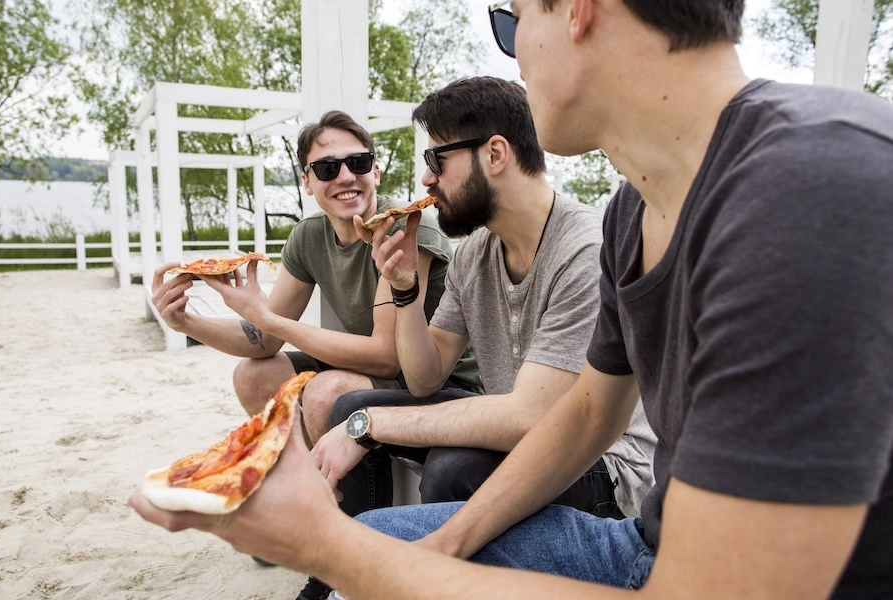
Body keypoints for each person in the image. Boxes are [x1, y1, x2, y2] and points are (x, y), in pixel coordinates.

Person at [131, 1, 893, 598]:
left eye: (511, 18)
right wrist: (443, 546)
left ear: (576, 10)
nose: (514, 50)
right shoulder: (633, 212)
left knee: (382, 539)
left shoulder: (812, 182)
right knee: (377, 559)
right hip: (651, 542)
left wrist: (325, 538)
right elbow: (586, 414)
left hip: (673, 561)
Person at [303, 75, 654, 599]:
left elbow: (531, 419)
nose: (424, 179)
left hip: (603, 467)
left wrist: (369, 424)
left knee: (453, 466)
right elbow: (424, 378)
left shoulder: (584, 250)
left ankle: (429, 580)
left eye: (437, 161)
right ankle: (346, 572)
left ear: (494, 154)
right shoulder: (474, 252)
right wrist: (405, 292)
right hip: (513, 427)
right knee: (348, 402)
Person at [151, 109, 479, 442]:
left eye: (359, 163)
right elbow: (264, 340)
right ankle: (308, 478)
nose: (346, 177)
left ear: (376, 172)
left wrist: (267, 319)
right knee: (253, 376)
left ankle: (344, 493)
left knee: (326, 392)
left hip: (441, 379)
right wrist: (185, 323)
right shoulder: (308, 237)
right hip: (384, 372)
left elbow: (385, 359)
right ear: (307, 182)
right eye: (326, 168)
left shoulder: (405, 228)